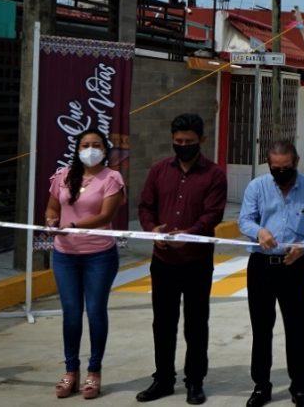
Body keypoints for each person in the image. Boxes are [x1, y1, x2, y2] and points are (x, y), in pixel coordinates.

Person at [135, 114, 227, 405]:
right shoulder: (159, 170)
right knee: (163, 322)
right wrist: (153, 230)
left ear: (202, 140)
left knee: (196, 323)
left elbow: (212, 215)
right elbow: (145, 206)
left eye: (189, 142)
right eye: (178, 142)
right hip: (163, 260)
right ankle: (163, 379)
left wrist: (191, 233)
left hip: (197, 260)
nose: (183, 146)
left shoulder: (214, 175)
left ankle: (194, 381)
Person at [238, 141, 304, 407]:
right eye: (275, 168)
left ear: (297, 162)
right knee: (261, 329)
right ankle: (261, 386)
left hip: (295, 267)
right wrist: (259, 231)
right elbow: (244, 219)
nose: (281, 173)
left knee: (296, 330)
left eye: (286, 168)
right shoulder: (257, 187)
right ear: (269, 165)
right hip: (261, 266)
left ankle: (300, 388)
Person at [44, 129, 126, 400]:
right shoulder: (63, 176)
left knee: (95, 310)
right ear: (77, 149)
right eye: (85, 145)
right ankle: (71, 371)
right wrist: (52, 222)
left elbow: (106, 215)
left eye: (96, 145)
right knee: (70, 312)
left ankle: (94, 371)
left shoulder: (112, 178)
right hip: (64, 255)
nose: (90, 149)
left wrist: (75, 226)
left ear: (105, 149)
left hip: (99, 255)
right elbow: (52, 207)